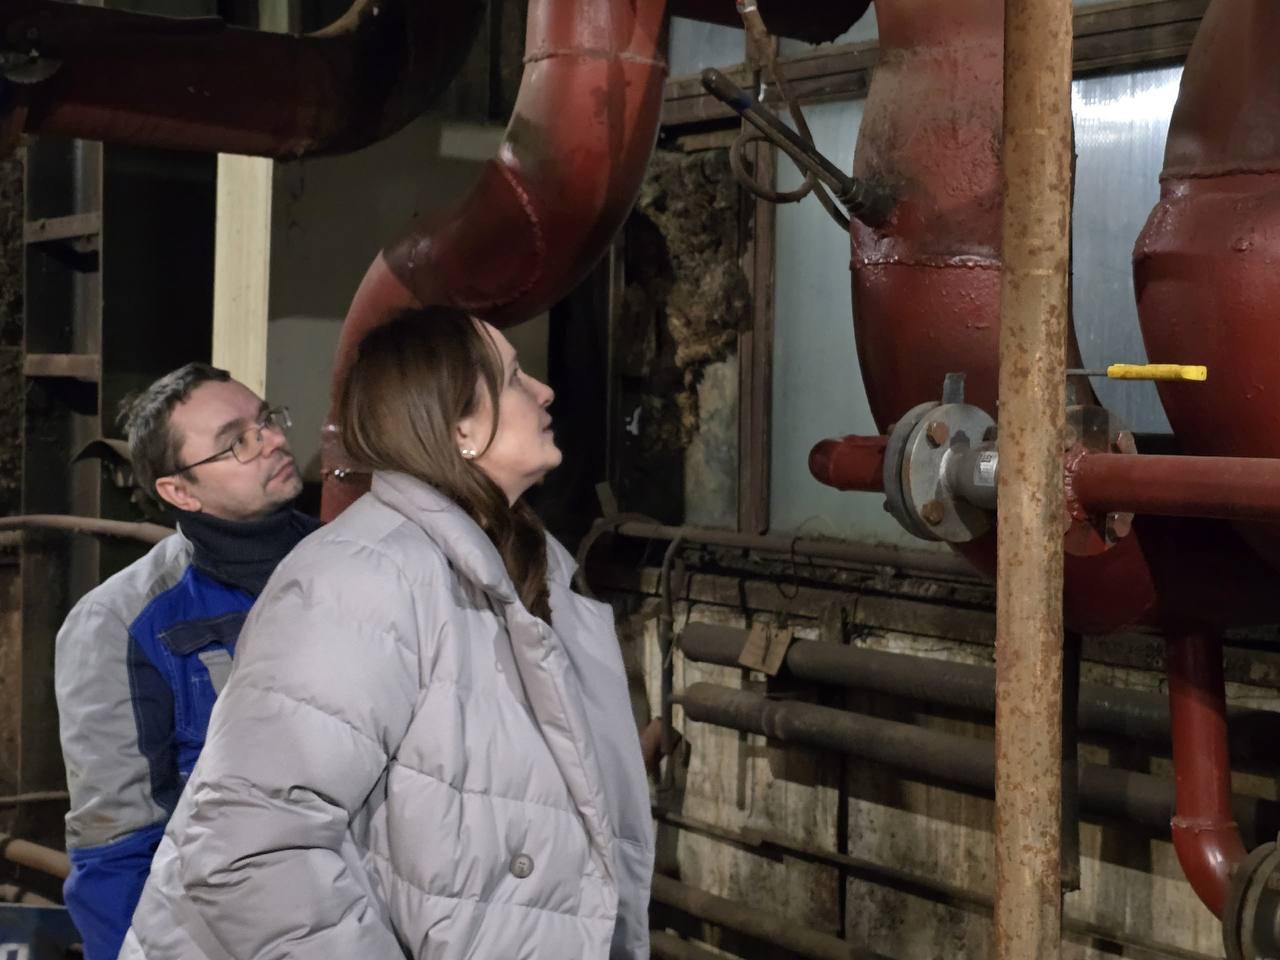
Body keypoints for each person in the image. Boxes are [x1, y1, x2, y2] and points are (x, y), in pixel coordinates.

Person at [121, 308, 654, 960]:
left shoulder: (531, 567)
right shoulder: (359, 580)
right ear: (459, 427)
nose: (543, 392)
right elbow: (250, 849)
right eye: (513, 378)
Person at [53, 363, 318, 960]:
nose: (272, 441)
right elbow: (115, 843)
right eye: (236, 441)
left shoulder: (353, 563)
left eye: (266, 421)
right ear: (180, 492)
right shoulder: (120, 624)